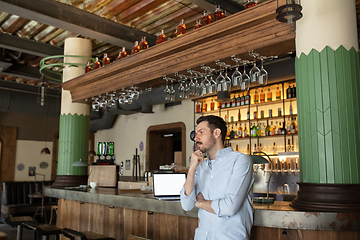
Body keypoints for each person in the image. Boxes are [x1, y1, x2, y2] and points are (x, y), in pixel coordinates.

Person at [180, 115, 254, 240]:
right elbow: (186, 205)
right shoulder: (200, 166)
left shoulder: (241, 161)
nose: (196, 137)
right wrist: (191, 169)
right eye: (196, 133)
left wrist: (200, 203)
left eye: (201, 132)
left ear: (216, 133)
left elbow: (229, 207)